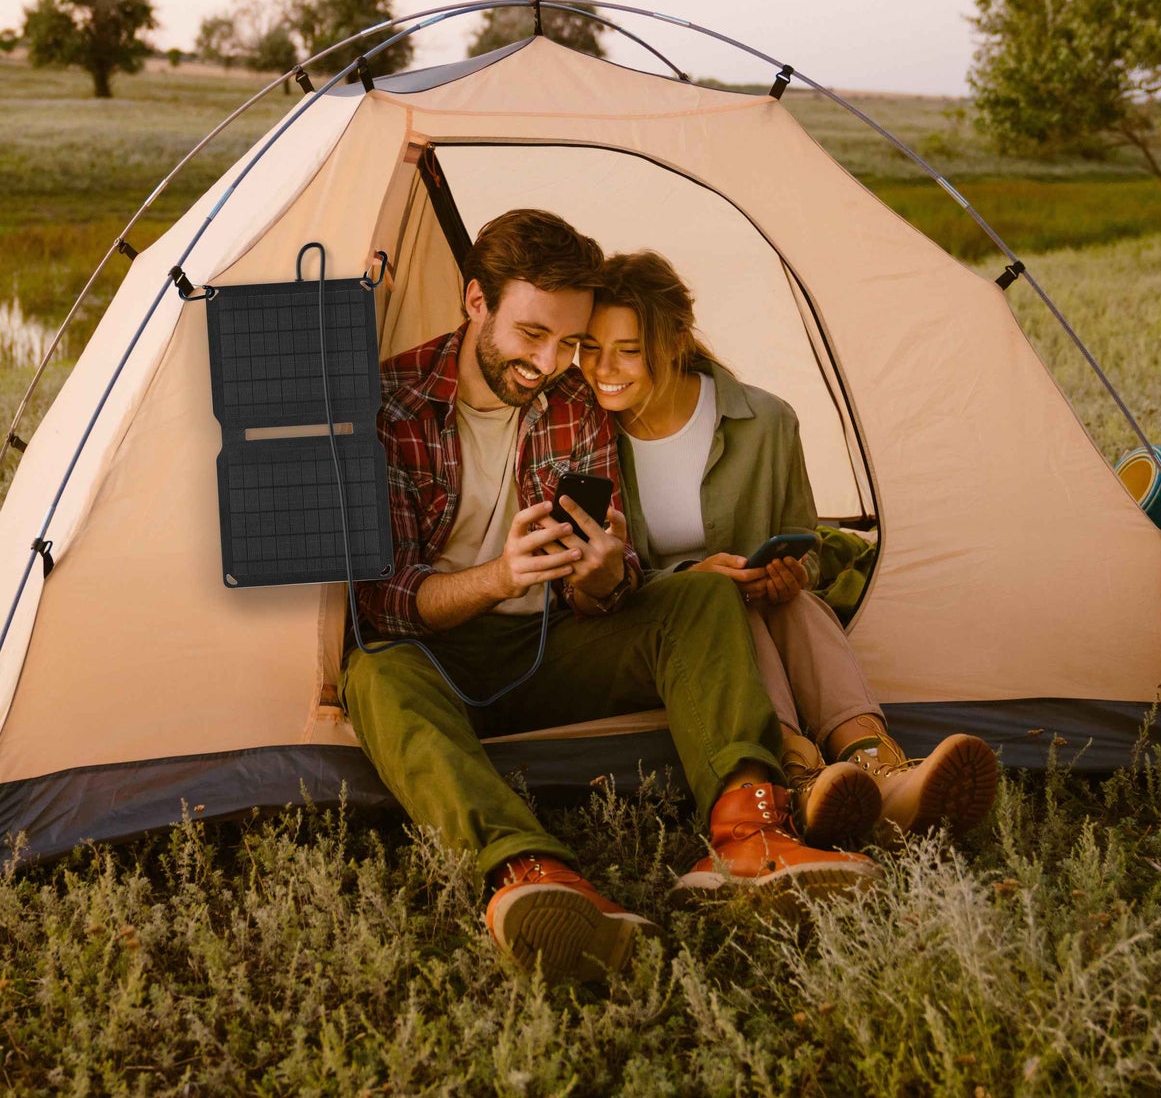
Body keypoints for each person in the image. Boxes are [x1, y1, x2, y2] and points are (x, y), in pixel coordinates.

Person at [342, 210, 877, 984]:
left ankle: (750, 834)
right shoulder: (391, 403)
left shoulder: (573, 396)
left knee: (699, 597)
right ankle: (531, 874)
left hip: (551, 647)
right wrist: (500, 576)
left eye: (568, 341)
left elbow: (612, 584)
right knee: (372, 671)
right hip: (435, 657)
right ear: (476, 301)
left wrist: (599, 574)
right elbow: (384, 601)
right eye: (532, 334)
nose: (549, 362)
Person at [578, 249, 998, 851]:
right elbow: (602, 578)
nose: (602, 369)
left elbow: (808, 544)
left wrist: (792, 572)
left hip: (771, 610)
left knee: (793, 604)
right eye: (589, 347)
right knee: (723, 606)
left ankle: (880, 767)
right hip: (669, 630)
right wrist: (696, 576)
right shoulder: (583, 435)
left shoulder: (767, 421)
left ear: (673, 343)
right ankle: (800, 773)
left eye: (626, 349)